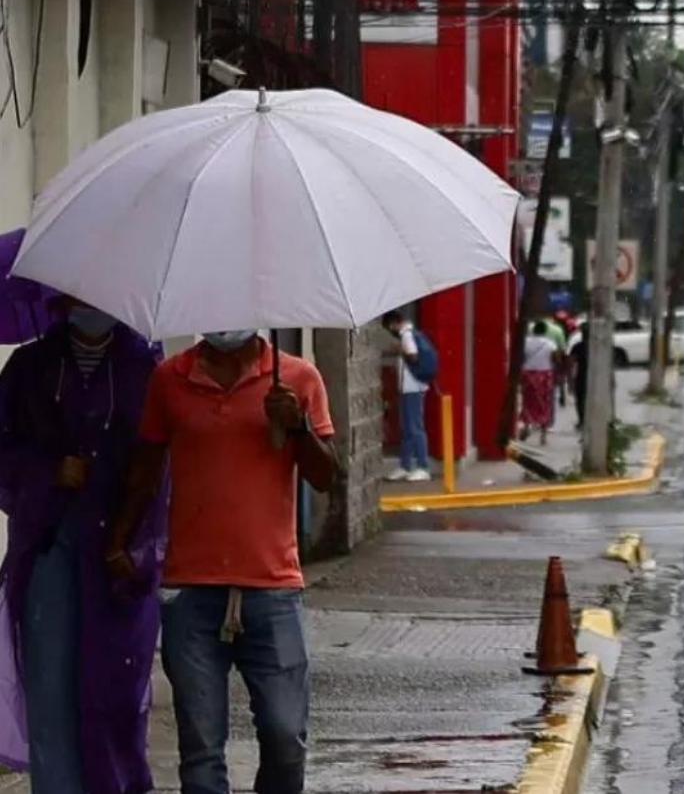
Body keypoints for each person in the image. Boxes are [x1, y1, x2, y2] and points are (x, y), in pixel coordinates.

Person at [106, 330, 338, 794]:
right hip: (190, 591)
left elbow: (326, 476)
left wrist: (298, 427)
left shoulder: (299, 378)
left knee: (285, 737)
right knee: (201, 752)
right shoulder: (169, 379)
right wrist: (119, 540)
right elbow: (147, 468)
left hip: (273, 589)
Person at [0, 299, 165, 794]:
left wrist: (136, 544)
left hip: (120, 552)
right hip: (49, 542)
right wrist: (49, 472)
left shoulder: (144, 369)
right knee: (50, 688)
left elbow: (161, 465)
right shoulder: (30, 366)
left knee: (113, 691)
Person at [383, 311, 431, 483]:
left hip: (412, 388)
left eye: (389, 327)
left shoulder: (407, 335)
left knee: (415, 428)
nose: (391, 331)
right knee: (407, 428)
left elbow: (413, 357)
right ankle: (405, 466)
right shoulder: (410, 334)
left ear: (393, 323)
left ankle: (423, 466)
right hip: (408, 388)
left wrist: (399, 350)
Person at [521, 321, 560, 445]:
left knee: (528, 401)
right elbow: (556, 358)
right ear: (545, 331)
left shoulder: (526, 342)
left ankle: (527, 426)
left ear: (533, 331)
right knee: (545, 403)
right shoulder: (550, 343)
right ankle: (543, 435)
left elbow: (521, 357)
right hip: (545, 376)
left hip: (528, 375)